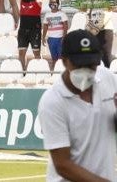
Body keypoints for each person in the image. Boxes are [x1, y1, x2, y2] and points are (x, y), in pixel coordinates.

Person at [37, 30, 117, 182]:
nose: (86, 71)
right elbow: (62, 165)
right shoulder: (52, 102)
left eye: (91, 65)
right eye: (80, 65)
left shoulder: (108, 79)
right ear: (64, 61)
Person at [7, 0, 53, 67]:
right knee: (21, 53)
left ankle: (39, 69)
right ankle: (23, 71)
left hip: (34, 30)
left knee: (36, 54)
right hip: (23, 30)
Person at [43, 0, 68, 69]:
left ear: (58, 4)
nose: (52, 4)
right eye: (51, 2)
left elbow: (65, 26)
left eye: (54, 2)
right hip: (51, 39)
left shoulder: (62, 14)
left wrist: (64, 37)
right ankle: (53, 73)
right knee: (54, 58)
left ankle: (62, 73)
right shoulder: (47, 14)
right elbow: (45, 26)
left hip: (60, 38)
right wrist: (43, 37)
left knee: (61, 58)